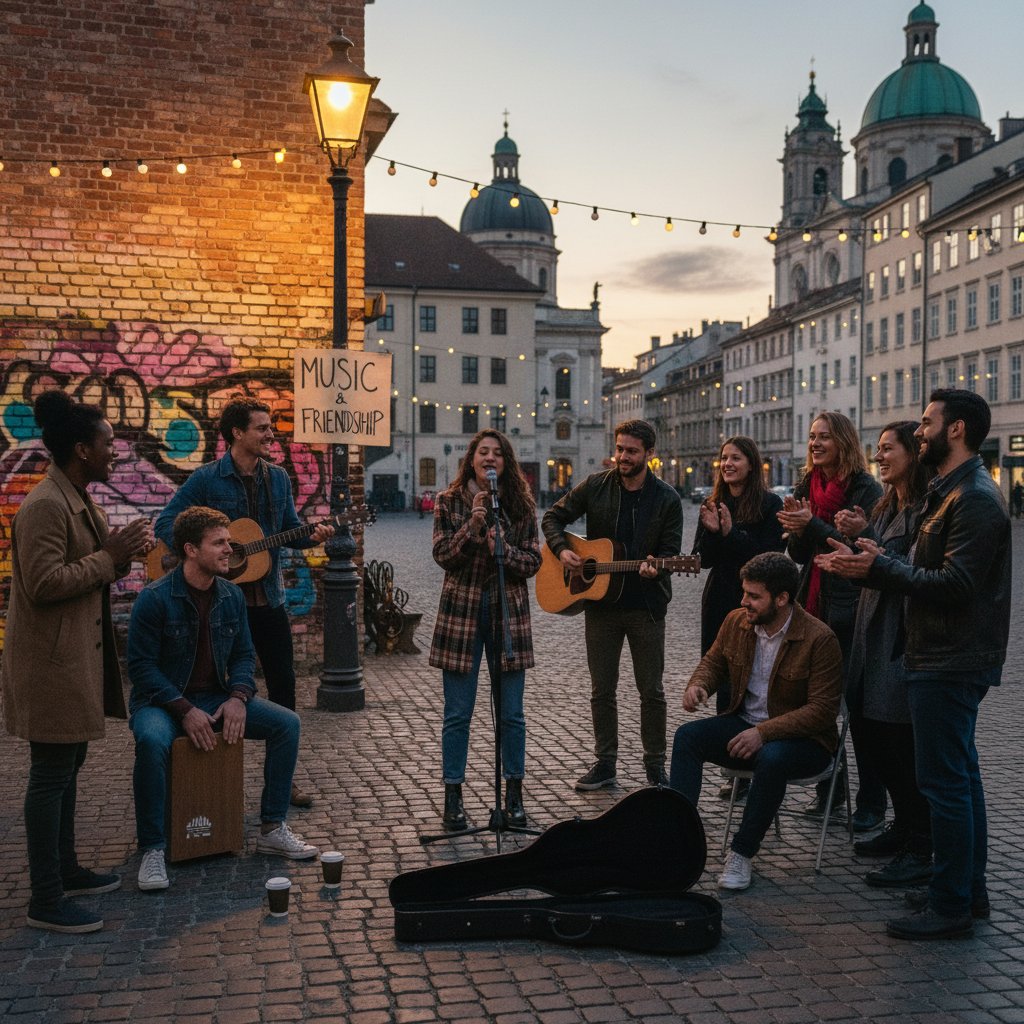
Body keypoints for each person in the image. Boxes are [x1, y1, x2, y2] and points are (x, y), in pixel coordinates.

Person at [819, 390, 1010, 940]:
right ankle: (964, 894)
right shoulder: (950, 491)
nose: (919, 431)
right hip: (939, 652)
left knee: (945, 785)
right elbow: (925, 566)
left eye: (927, 423)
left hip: (949, 657)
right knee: (960, 780)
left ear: (956, 430)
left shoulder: (972, 497)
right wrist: (882, 558)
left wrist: (876, 571)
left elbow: (955, 586)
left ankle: (950, 905)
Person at [2, 391, 154, 933]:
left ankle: (64, 870)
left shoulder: (76, 494)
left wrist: (119, 555)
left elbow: (87, 566)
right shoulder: (45, 504)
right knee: (49, 777)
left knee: (67, 771)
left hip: (72, 659)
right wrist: (109, 555)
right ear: (81, 448)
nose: (116, 449)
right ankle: (45, 899)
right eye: (108, 442)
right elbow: (44, 585)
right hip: (51, 663)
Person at [127, 507, 318, 891]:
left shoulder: (231, 595)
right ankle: (152, 849)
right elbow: (141, 669)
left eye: (229, 541)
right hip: (161, 702)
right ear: (191, 550)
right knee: (151, 741)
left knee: (287, 724)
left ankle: (271, 828)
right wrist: (184, 710)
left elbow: (244, 656)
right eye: (219, 543)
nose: (229, 550)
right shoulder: (155, 599)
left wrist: (238, 696)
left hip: (216, 694)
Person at [154, 398, 332, 808]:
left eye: (271, 428)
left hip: (269, 600)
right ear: (237, 433)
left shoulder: (279, 479)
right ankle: (211, 785)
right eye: (263, 428)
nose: (271, 434)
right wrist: (197, 555)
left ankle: (282, 784)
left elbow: (287, 529)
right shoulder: (206, 480)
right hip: (221, 608)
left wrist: (313, 535)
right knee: (219, 690)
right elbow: (168, 521)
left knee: (284, 687)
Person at [669, 552, 842, 891]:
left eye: (753, 596)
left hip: (806, 742)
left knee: (772, 758)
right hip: (746, 726)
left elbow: (822, 710)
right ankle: (679, 838)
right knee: (687, 736)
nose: (744, 601)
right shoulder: (737, 621)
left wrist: (763, 733)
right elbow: (714, 662)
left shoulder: (819, 639)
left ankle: (742, 853)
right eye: (744, 592)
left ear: (782, 598)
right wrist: (698, 685)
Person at [817, 421, 932, 890]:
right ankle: (903, 829)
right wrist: (848, 560)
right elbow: (878, 561)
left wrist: (870, 548)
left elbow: (915, 570)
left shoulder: (926, 508)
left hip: (900, 642)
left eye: (888, 449)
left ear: (912, 455)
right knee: (876, 740)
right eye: (877, 449)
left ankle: (918, 846)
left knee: (901, 752)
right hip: (871, 633)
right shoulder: (888, 503)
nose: (879, 456)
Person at [542, 419, 684, 790]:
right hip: (601, 606)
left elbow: (670, 553)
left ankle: (655, 765)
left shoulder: (666, 499)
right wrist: (563, 551)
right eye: (619, 448)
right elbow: (553, 517)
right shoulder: (596, 485)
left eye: (631, 451)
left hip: (646, 608)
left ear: (649, 454)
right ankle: (605, 763)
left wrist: (659, 568)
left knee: (650, 690)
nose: (622, 456)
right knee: (601, 689)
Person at [429, 429, 541, 831]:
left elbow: (532, 563)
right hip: (461, 614)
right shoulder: (449, 501)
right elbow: (443, 555)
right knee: (457, 712)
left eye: (497, 453)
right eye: (483, 452)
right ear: (471, 459)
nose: (490, 458)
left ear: (506, 462)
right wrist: (473, 525)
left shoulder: (521, 505)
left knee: (512, 714)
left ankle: (513, 793)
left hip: (508, 616)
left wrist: (504, 549)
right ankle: (453, 795)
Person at [777, 410, 884, 829]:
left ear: (843, 441)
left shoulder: (864, 488)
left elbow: (861, 550)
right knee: (817, 706)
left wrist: (812, 525)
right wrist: (798, 530)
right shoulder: (808, 485)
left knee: (860, 713)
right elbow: (800, 557)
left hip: (851, 610)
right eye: (811, 437)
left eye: (824, 437)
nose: (816, 443)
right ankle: (830, 791)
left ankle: (872, 802)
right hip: (813, 606)